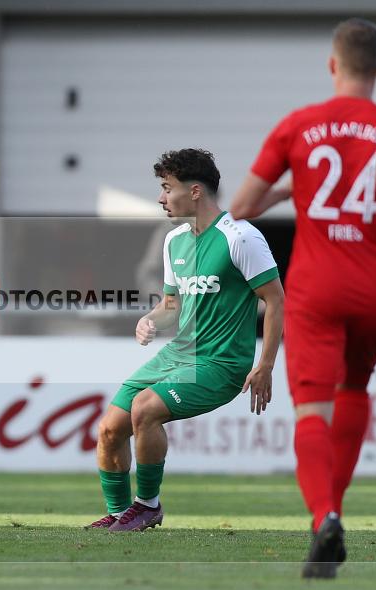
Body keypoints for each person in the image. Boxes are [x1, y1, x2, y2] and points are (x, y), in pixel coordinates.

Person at [230, 18, 376, 578]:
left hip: (317, 287)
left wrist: (293, 188)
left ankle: (324, 516)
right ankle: (333, 513)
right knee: (354, 387)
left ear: (332, 65)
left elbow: (242, 207)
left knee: (312, 408)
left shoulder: (298, 126)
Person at [91, 149, 284, 532]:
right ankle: (118, 513)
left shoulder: (241, 236)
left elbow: (275, 300)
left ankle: (147, 506)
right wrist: (150, 319)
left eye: (167, 188)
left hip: (221, 363)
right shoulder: (174, 241)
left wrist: (265, 365)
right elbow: (171, 305)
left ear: (194, 191)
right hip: (178, 355)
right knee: (110, 428)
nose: (161, 198)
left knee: (145, 409)